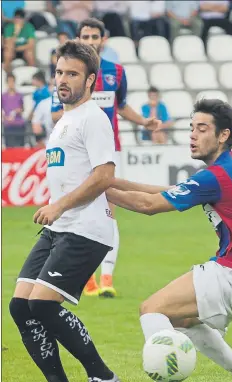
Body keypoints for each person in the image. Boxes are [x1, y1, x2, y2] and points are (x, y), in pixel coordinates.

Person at [106, 98, 232, 382]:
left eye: (202, 129)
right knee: (180, 320)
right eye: (191, 128)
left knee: (152, 309)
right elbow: (167, 190)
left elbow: (148, 206)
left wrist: (94, 189)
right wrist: (110, 181)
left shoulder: (215, 177)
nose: (193, 135)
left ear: (223, 135)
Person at [9, 40, 121, 382]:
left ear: (90, 80)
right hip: (60, 226)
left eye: (72, 74)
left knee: (42, 305)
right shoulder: (62, 122)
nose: (62, 80)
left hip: (86, 228)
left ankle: (101, 375)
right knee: (20, 305)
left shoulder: (93, 118)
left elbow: (104, 175)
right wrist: (56, 206)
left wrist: (58, 205)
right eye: (59, 72)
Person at [51, 18, 161, 298]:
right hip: (77, 151)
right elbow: (55, 113)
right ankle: (86, 277)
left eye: (94, 36)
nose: (90, 41)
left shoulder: (116, 73)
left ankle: (107, 278)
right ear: (79, 39)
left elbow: (121, 106)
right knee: (79, 207)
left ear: (103, 39)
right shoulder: (69, 74)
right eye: (85, 36)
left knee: (109, 210)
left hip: (108, 151)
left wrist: (143, 123)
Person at [2, 8, 35, 73]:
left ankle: (32, 74)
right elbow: (8, 44)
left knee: (30, 53)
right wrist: (16, 33)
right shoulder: (9, 27)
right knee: (7, 53)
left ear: (23, 19)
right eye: (16, 18)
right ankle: (7, 74)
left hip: (23, 49)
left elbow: (31, 44)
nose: (18, 20)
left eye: (20, 18)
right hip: (12, 50)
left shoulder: (29, 27)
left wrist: (18, 48)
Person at [1, 73, 26, 148]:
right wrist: (5, 118)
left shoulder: (19, 95)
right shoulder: (3, 96)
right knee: (9, 147)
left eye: (12, 81)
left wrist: (19, 110)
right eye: (9, 81)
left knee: (20, 147)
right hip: (8, 125)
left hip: (19, 124)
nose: (10, 83)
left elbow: (22, 109)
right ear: (6, 83)